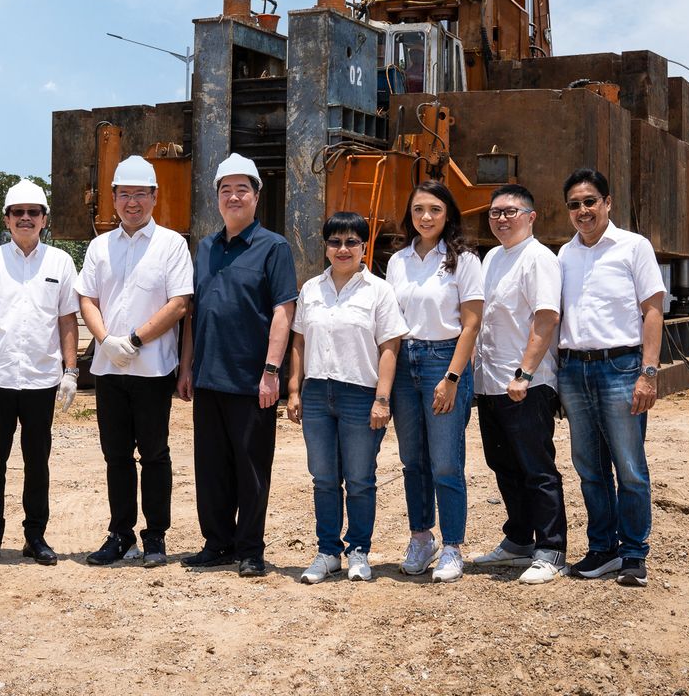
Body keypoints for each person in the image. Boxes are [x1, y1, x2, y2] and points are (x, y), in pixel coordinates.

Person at [178, 153, 297, 577]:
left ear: (257, 196)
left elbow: (283, 311)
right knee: (211, 467)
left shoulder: (273, 247)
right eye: (225, 189)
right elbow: (194, 312)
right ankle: (217, 542)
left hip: (251, 380)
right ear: (216, 197)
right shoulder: (206, 248)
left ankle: (250, 548)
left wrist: (271, 372)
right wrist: (187, 366)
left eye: (241, 189)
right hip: (209, 377)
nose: (233, 196)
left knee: (251, 467)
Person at [76, 156, 193, 568]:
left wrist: (136, 339)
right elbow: (86, 299)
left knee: (155, 454)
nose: (132, 202)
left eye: (140, 194)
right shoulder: (99, 247)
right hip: (109, 370)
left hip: (152, 370)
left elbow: (179, 303)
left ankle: (155, 536)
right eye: (124, 194)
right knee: (117, 456)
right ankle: (120, 534)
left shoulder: (171, 245)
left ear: (155, 197)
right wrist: (106, 341)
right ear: (112, 198)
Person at [0, 179, 80, 567]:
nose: (25, 218)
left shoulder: (60, 262)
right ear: (7, 220)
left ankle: (35, 537)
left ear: (45, 219)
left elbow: (67, 320)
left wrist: (71, 370)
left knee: (37, 461)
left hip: (42, 380)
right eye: (18, 213)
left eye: (33, 212)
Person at [557, 168, 665, 588]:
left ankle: (634, 553)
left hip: (621, 368)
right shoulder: (565, 255)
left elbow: (653, 311)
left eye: (590, 202)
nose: (583, 211)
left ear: (607, 203)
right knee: (589, 466)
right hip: (574, 369)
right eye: (574, 204)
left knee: (630, 466)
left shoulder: (633, 248)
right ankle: (602, 549)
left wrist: (648, 374)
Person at [286, 212, 407, 584]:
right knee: (323, 478)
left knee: (359, 478)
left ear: (364, 247)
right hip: (319, 393)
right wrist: (294, 388)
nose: (343, 249)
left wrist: (382, 400)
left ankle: (358, 551)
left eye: (351, 242)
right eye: (335, 242)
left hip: (360, 394)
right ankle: (327, 553)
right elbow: (299, 342)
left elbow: (390, 347)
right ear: (325, 247)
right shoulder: (311, 290)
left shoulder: (378, 291)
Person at [469, 184, 568, 585]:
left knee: (537, 468)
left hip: (526, 383)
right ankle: (519, 541)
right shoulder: (492, 257)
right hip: (490, 382)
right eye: (495, 213)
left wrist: (524, 373)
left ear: (531, 216)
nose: (501, 219)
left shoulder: (539, 259)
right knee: (503, 465)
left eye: (510, 211)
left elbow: (546, 319)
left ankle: (552, 549)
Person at [386, 181, 483, 583]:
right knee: (413, 461)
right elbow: (389, 322)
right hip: (405, 363)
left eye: (435, 210)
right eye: (418, 210)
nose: (426, 217)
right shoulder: (398, 261)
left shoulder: (464, 260)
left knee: (445, 462)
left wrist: (452, 378)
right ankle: (421, 537)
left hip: (444, 361)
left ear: (448, 215)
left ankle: (453, 548)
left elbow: (472, 324)